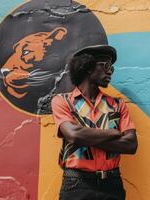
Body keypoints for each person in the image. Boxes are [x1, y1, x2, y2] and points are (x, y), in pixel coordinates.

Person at [51, 44, 138, 200]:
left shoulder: (118, 105)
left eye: (111, 67)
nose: (110, 70)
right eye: (105, 65)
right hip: (76, 184)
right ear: (88, 67)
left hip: (112, 184)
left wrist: (85, 137)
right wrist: (113, 133)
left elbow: (131, 145)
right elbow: (74, 135)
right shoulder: (62, 101)